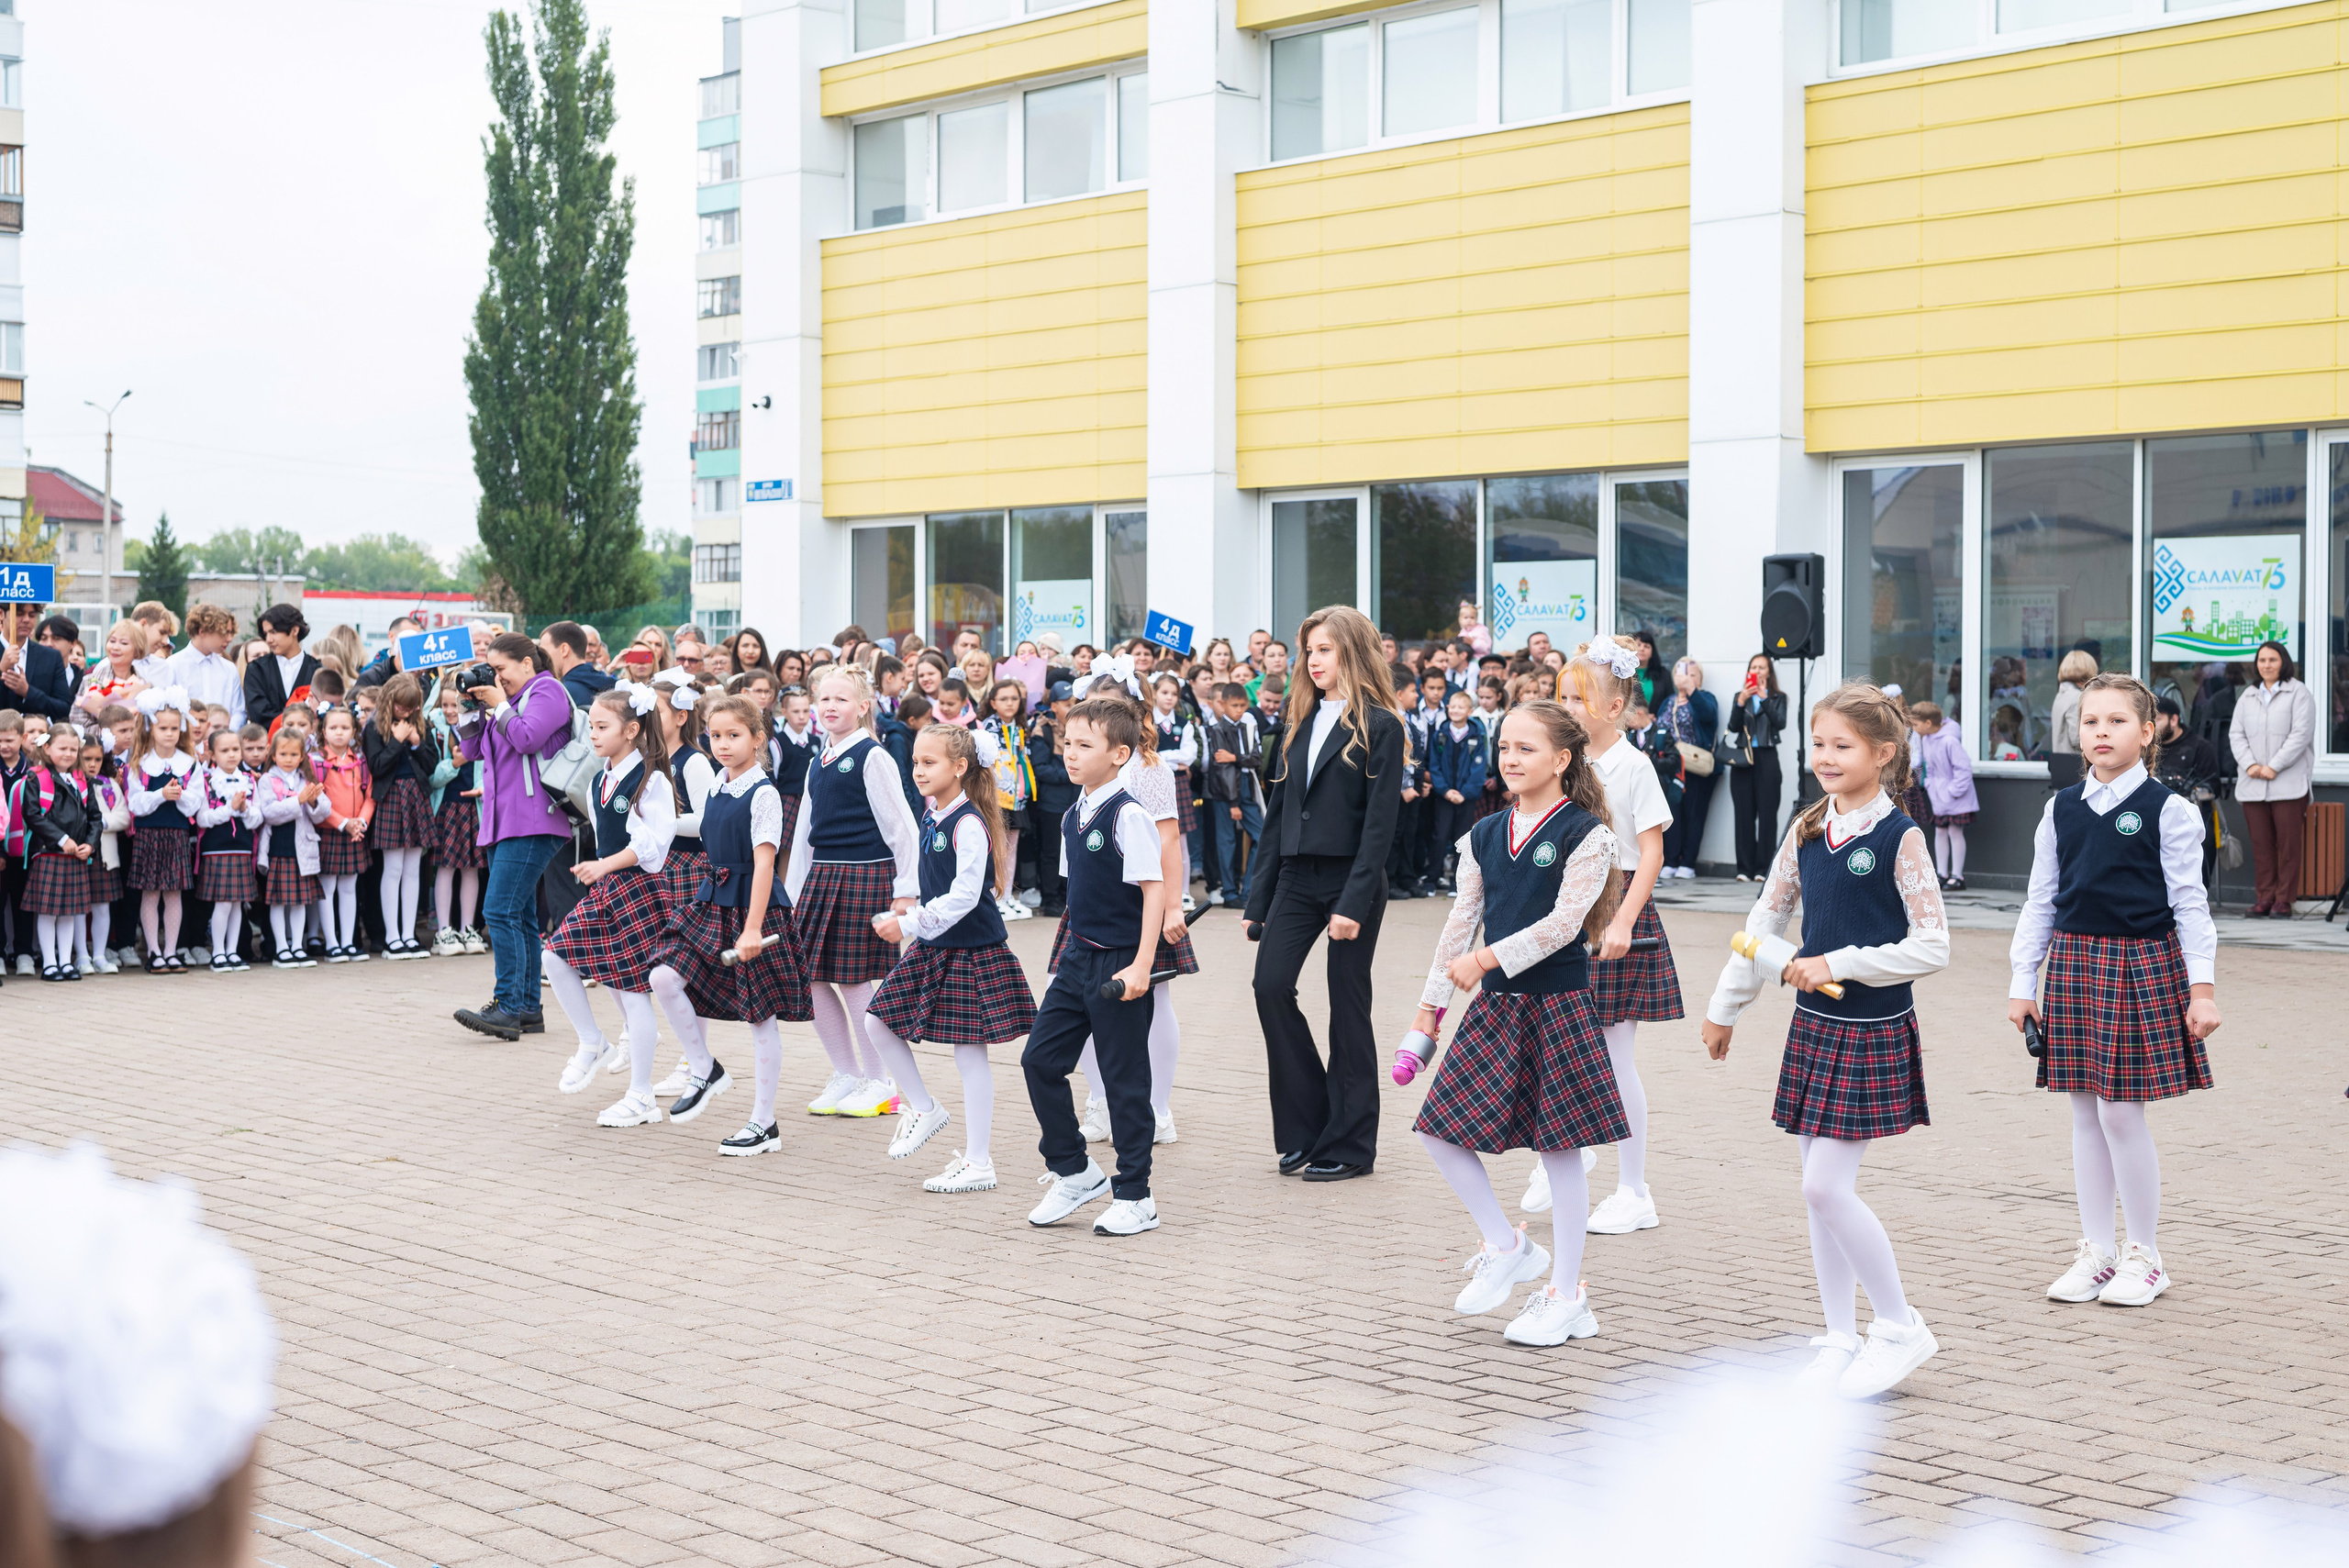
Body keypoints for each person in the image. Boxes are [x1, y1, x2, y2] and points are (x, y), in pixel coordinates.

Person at [1704, 682, 1948, 1399]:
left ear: (1884, 752)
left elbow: (1932, 945)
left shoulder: (1900, 835)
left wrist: (1838, 963)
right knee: (1818, 1194)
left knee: (1824, 1185)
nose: (1826, 757)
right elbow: (1766, 919)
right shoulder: (1808, 825)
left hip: (1871, 1029)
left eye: (1843, 745)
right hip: (1815, 1028)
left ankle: (1900, 1326)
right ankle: (1840, 1337)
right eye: (1818, 743)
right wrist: (1726, 1005)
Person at [1408, 700, 1627, 1345]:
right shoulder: (1480, 835)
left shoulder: (1588, 834)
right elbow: (1458, 924)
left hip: (1558, 1007)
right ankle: (1507, 1247)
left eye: (1526, 748)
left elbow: (1564, 925)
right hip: (1496, 1009)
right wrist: (1430, 1004)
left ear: (1562, 760)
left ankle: (1567, 1295)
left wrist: (1488, 956)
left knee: (1561, 1153)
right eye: (1504, 746)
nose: (1510, 757)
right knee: (1439, 1131)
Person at [2011, 673, 2221, 1309]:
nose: (2101, 731)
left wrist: (2202, 990)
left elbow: (2191, 904)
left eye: (2117, 721)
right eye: (2091, 721)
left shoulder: (2171, 810)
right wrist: (2024, 981)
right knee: (2083, 1111)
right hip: (2074, 964)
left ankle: (2145, 1255)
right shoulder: (2060, 807)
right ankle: (2097, 1251)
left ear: (2148, 730)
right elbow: (2041, 899)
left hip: (2141, 964)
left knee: (2122, 1112)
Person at [1245, 605, 1406, 1183]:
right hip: (1292, 878)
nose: (1313, 661)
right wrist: (1257, 902)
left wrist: (1352, 903)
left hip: (1350, 880)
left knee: (1347, 1008)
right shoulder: (1299, 722)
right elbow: (1278, 818)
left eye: (1326, 650)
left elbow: (1380, 829)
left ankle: (1351, 1144)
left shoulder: (1382, 727)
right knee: (1269, 986)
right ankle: (1306, 1127)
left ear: (1354, 654)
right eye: (1309, 650)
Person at [1528, 635, 1677, 1233]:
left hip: (1614, 913)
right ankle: (1573, 1151)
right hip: (1563, 910)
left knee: (1616, 1059)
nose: (1565, 705)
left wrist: (1620, 920)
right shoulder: (1558, 760)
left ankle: (1634, 1188)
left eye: (1579, 696)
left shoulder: (1633, 765)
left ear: (1614, 708)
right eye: (1560, 693)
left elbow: (1651, 853)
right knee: (1550, 1043)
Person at [865, 724, 1039, 1193]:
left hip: (972, 949)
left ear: (960, 768)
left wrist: (909, 922)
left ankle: (979, 1161)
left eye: (930, 762)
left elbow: (964, 896)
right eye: (916, 761)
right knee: (877, 1022)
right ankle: (924, 1108)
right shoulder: (933, 814)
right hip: (934, 943)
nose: (918, 770)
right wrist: (909, 906)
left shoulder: (968, 823)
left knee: (969, 1055)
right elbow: (936, 882)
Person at [1021, 696, 1169, 1236]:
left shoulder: (1128, 814)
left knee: (1123, 1079)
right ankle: (1075, 1170)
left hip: (1121, 963)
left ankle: (1137, 1195)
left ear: (1119, 754)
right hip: (1076, 957)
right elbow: (1077, 891)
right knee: (1039, 1061)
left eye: (1085, 745)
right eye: (1067, 744)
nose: (1071, 754)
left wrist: (1140, 965)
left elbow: (1154, 890)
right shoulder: (1071, 814)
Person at [544, 685, 682, 1129]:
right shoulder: (602, 776)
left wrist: (604, 865)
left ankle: (641, 1094)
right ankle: (592, 1041)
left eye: (602, 727)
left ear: (632, 729)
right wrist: (602, 869)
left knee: (631, 991)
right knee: (555, 955)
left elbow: (652, 845)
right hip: (608, 888)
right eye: (592, 726)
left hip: (637, 891)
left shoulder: (651, 779)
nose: (594, 735)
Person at [787, 665, 922, 1119]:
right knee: (814, 976)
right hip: (822, 878)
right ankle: (846, 1073)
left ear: (863, 707)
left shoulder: (872, 755)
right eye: (823, 699)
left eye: (841, 699)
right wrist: (792, 893)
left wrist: (907, 890)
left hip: (864, 876)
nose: (829, 707)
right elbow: (806, 830)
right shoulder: (815, 761)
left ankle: (882, 1082)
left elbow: (902, 826)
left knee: (852, 978)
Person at [1065, 685, 1198, 1147]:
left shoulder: (1151, 768)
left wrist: (1173, 905)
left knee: (1154, 1002)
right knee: (1078, 1000)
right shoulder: (1080, 791)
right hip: (1092, 907)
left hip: (1143, 902)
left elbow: (1168, 840)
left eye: (1112, 701)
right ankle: (1101, 1100)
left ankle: (1157, 1107)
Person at [452, 633, 579, 1039]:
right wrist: (470, 709)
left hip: (534, 818)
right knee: (521, 914)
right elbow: (473, 752)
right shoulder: (504, 704)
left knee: (499, 910)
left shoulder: (547, 690)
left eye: (501, 669)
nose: (496, 676)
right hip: (505, 820)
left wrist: (499, 704)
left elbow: (527, 737)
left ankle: (507, 1005)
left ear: (527, 663)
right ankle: (526, 1009)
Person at [2228, 639, 2313, 917]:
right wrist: (2251, 764)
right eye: (2262, 660)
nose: (2266, 665)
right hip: (2254, 783)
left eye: (2272, 660)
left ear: (2283, 662)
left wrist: (2274, 766)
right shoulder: (2247, 696)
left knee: (2288, 846)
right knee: (2262, 845)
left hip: (2287, 784)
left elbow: (2300, 735)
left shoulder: (2299, 693)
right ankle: (2264, 897)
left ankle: (2283, 900)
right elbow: (2236, 734)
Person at [127, 690, 201, 973]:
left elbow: (195, 803)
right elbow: (136, 803)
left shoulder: (189, 763)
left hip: (177, 832)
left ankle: (171, 951)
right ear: (150, 727)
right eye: (163, 728)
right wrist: (161, 794)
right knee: (150, 893)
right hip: (149, 834)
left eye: (173, 728)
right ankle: (154, 952)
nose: (169, 734)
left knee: (173, 894)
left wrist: (178, 796)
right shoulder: (141, 763)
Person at [18, 721, 95, 982]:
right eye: (62, 748)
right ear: (47, 747)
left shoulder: (82, 780)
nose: (68, 754)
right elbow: (32, 815)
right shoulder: (36, 777)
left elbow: (95, 817)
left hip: (75, 856)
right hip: (49, 853)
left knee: (69, 912)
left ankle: (66, 962)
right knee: (48, 911)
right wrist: (62, 839)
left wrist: (90, 843)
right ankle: (50, 963)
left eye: (73, 749)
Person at [257, 728, 329, 967]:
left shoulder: (305, 780)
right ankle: (281, 948)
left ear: (301, 757)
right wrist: (297, 800)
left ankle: (297, 946)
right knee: (279, 901)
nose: (288, 759)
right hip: (279, 846)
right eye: (283, 754)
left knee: (299, 901)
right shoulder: (267, 780)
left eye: (293, 754)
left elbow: (321, 814)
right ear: (273, 755)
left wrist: (313, 801)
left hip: (302, 849)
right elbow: (269, 813)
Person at [191, 727, 261, 973]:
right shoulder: (206, 780)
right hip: (216, 849)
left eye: (235, 749)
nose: (231, 755)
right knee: (222, 903)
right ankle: (218, 952)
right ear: (212, 753)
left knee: (237, 903)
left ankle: (232, 952)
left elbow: (256, 819)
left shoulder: (249, 780)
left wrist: (245, 810)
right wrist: (229, 809)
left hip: (242, 849)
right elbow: (202, 819)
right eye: (225, 750)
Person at [1725, 653, 1787, 882]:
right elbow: (1733, 727)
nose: (1758, 671)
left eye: (1762, 667)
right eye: (1754, 667)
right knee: (1743, 814)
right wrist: (1741, 701)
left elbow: (1780, 723)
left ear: (1769, 672)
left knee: (1768, 813)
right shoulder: (1739, 696)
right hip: (1743, 759)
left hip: (1767, 758)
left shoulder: (1778, 697)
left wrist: (1764, 699)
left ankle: (1763, 869)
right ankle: (1744, 868)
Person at [1903, 702, 1977, 890]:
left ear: (1928, 723)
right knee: (1940, 831)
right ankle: (1941, 873)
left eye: (1917, 725)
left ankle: (1957, 876)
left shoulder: (1949, 741)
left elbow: (1963, 769)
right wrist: (1929, 784)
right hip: (1939, 796)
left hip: (1955, 798)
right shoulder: (1927, 739)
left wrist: (1952, 791)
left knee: (1954, 831)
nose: (1914, 729)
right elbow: (1930, 767)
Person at [1420, 686, 1486, 893]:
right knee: (1439, 837)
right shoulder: (1441, 735)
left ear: (1469, 711)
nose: (1456, 710)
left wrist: (1464, 793)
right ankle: (1432, 880)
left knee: (1462, 840)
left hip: (1466, 799)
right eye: (1453, 706)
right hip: (1444, 797)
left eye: (1461, 707)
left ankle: (1457, 883)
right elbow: (1435, 766)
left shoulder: (1476, 736)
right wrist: (1445, 791)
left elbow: (1478, 768)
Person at [2152, 696, 2221, 885]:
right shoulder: (2147, 748)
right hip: (2152, 814)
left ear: (2174, 720)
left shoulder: (2199, 747)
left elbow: (2214, 786)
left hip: (2192, 814)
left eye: (2158, 719)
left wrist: (2188, 791)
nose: (2152, 725)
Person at [984, 677, 1038, 919]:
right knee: (997, 846)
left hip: (1017, 796)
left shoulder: (1020, 726)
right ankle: (994, 896)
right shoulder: (987, 727)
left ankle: (1007, 897)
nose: (1010, 703)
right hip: (995, 797)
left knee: (1012, 845)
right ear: (993, 702)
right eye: (1004, 699)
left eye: (1014, 699)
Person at [1658, 658, 1717, 879]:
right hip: (1671, 767)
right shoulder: (1669, 702)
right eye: (1682, 673)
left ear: (1699, 678)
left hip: (1696, 767)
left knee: (1694, 814)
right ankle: (1671, 860)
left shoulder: (1706, 698)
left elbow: (1708, 716)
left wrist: (1691, 690)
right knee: (1673, 815)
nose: (1687, 678)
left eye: (1692, 674)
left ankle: (1689, 862)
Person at [244, 604, 319, 733]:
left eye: (273, 632)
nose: (268, 639)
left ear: (294, 631)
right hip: (269, 744)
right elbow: (259, 712)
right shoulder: (256, 669)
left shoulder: (318, 670)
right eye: (266, 634)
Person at [0, 601, 73, 721]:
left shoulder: (50, 657)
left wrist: (28, 692)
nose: (26, 620)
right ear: (1, 614)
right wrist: (1, 669)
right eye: (19, 614)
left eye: (32, 615)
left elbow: (63, 709)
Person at [2049, 649, 2096, 757]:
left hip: (2061, 760)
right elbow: (2076, 738)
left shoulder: (2061, 695)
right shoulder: (2076, 697)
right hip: (2074, 763)